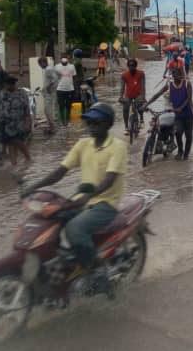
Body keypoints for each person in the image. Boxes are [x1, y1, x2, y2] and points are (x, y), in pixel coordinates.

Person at [22, 103, 127, 296]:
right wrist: (33, 186)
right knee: (50, 221)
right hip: (81, 199)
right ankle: (67, 270)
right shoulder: (82, 144)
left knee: (74, 229)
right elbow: (60, 172)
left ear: (108, 124)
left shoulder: (118, 147)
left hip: (106, 203)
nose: (91, 126)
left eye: (96, 122)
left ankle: (99, 273)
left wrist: (88, 196)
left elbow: (109, 180)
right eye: (89, 122)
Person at [144, 64, 193, 159]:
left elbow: (189, 98)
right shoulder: (169, 85)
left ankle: (186, 155)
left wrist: (180, 108)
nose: (178, 77)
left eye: (179, 74)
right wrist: (146, 104)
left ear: (182, 75)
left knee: (188, 135)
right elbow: (157, 94)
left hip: (188, 113)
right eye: (175, 74)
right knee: (178, 132)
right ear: (172, 75)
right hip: (178, 114)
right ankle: (180, 151)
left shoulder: (187, 84)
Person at [0, 74, 32, 165]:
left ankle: (28, 158)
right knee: (10, 143)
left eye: (10, 84)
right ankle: (14, 163)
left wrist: (28, 122)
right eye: (6, 85)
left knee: (17, 141)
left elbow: (27, 109)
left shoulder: (22, 93)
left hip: (19, 122)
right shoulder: (2, 94)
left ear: (13, 84)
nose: (7, 86)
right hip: (6, 123)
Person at [118, 58, 146, 133]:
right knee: (125, 108)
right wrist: (120, 96)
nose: (131, 67)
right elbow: (122, 87)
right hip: (128, 95)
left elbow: (143, 86)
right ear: (128, 66)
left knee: (140, 103)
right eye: (130, 65)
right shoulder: (124, 75)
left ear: (136, 66)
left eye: (133, 65)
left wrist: (143, 97)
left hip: (138, 94)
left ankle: (141, 119)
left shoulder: (141, 73)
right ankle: (126, 127)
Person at [54, 54, 77, 126]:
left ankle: (67, 120)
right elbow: (54, 78)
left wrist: (75, 87)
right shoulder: (56, 67)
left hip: (70, 89)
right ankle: (62, 121)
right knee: (61, 105)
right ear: (60, 58)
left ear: (68, 58)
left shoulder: (72, 66)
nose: (64, 59)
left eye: (65, 57)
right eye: (63, 57)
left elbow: (74, 77)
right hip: (60, 89)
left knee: (69, 106)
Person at [39, 56, 58, 134]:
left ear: (43, 63)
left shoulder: (48, 69)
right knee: (47, 110)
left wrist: (49, 87)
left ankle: (52, 127)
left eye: (40, 64)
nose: (40, 66)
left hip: (49, 93)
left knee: (47, 110)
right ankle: (51, 126)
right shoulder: (49, 69)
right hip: (48, 93)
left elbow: (55, 79)